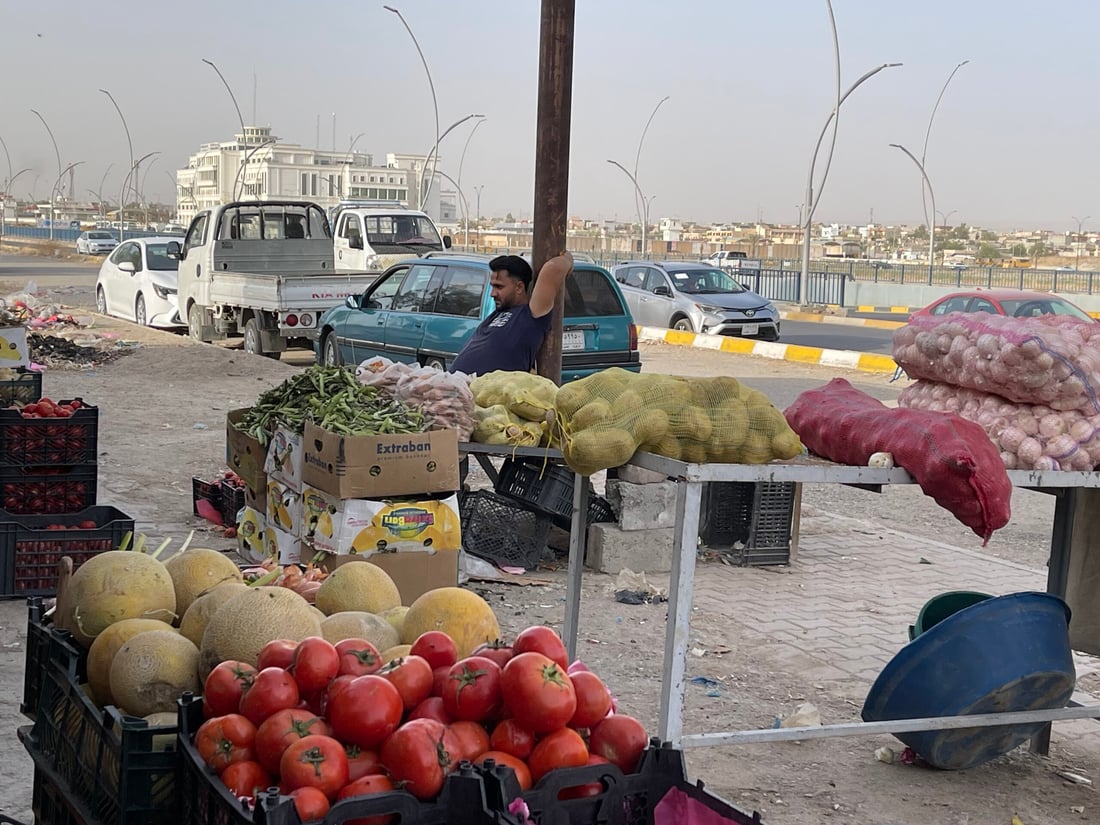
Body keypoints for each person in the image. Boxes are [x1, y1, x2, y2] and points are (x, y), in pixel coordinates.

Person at [450, 251, 573, 375]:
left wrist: (568, 258)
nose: (492, 294)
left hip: (489, 391)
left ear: (519, 287)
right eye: (492, 286)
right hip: (456, 386)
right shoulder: (496, 314)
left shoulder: (532, 313)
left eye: (499, 287)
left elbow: (552, 268)